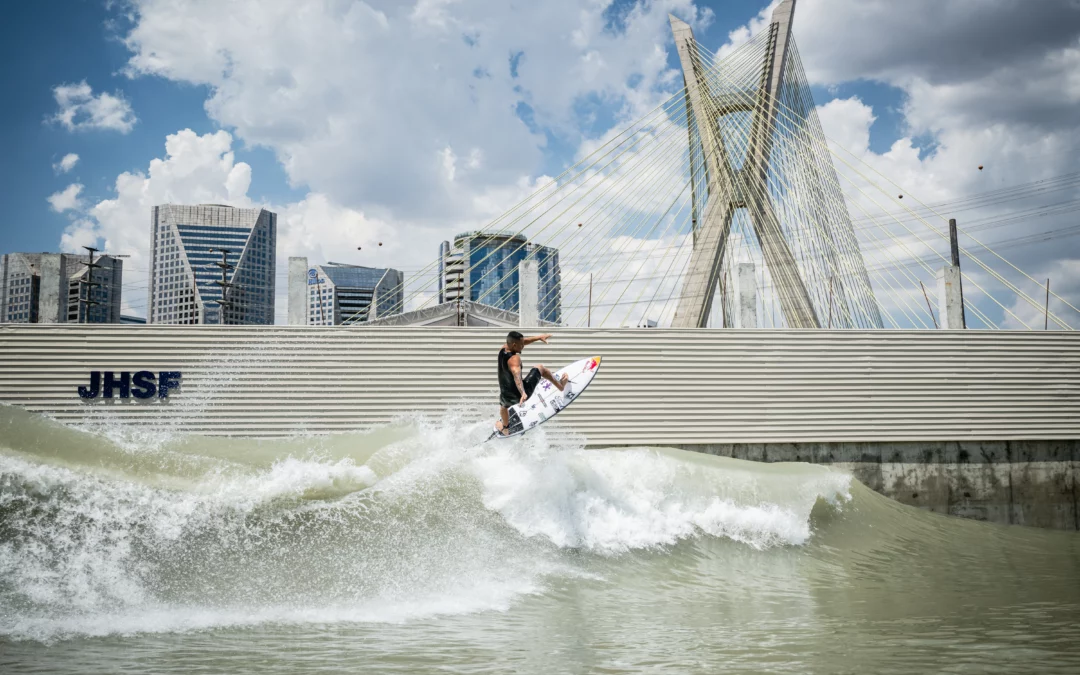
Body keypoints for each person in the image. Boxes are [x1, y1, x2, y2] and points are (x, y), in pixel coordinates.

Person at [495, 331, 569, 435]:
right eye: (521, 345)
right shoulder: (514, 359)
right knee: (540, 368)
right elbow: (517, 375)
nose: (523, 346)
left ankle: (505, 428)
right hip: (520, 395)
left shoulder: (504, 348)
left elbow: (524, 341)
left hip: (505, 395)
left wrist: (539, 337)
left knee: (504, 406)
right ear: (514, 345)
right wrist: (523, 393)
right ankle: (561, 386)